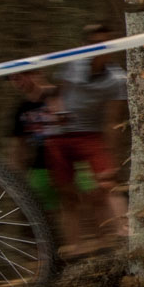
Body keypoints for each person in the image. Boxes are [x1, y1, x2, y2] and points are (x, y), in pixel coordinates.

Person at [45, 23, 130, 251]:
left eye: (105, 44)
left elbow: (112, 120)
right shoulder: (70, 64)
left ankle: (126, 234)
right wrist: (57, 112)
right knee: (68, 195)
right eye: (94, 44)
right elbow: (54, 93)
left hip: (91, 135)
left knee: (108, 183)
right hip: (59, 135)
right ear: (84, 45)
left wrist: (111, 155)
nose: (100, 49)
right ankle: (75, 248)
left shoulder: (118, 78)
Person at [6, 70, 60, 212]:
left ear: (34, 74)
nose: (16, 83)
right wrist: (14, 177)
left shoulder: (59, 95)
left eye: (19, 78)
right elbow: (19, 145)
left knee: (83, 203)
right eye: (13, 80)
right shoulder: (22, 109)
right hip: (40, 168)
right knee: (46, 211)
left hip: (68, 161)